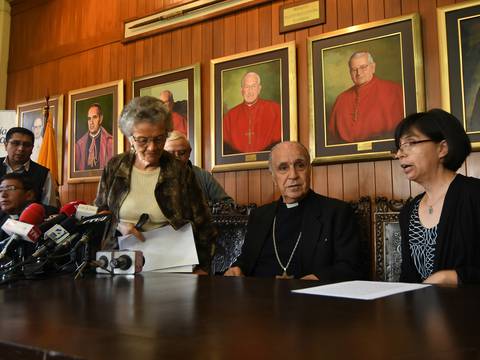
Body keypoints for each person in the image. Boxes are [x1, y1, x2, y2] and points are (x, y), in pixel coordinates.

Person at [94, 96, 216, 273]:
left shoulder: (179, 171)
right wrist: (118, 226)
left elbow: (204, 224)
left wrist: (203, 267)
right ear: (130, 138)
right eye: (143, 140)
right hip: (120, 265)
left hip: (172, 266)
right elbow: (99, 214)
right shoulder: (115, 167)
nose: (152, 147)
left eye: (159, 139)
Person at [224, 141, 361, 280]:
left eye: (300, 165)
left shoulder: (336, 213)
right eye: (283, 168)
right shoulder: (259, 216)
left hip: (311, 298)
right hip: (259, 297)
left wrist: (317, 279)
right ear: (273, 177)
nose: (293, 175)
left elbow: (350, 267)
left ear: (309, 170)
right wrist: (237, 269)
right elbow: (246, 261)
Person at [394, 109, 480, 285]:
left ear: (442, 148)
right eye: (399, 147)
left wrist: (453, 277)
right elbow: (407, 280)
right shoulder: (409, 211)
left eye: (410, 143)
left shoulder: (474, 195)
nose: (400, 154)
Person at [328, 51, 404, 144]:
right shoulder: (341, 99)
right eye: (354, 69)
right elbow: (332, 139)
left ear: (373, 67)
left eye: (363, 67)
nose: (358, 73)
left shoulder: (395, 90)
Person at [164, 131, 234, 205]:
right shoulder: (153, 175)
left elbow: (228, 205)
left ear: (189, 152)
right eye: (170, 154)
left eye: (181, 153)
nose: (176, 158)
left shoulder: (203, 176)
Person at [223, 71, 282, 154]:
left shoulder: (275, 110)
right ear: (241, 90)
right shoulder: (230, 116)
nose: (250, 91)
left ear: (259, 89)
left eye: (253, 86)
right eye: (246, 87)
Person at [0, 127, 57, 208]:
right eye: (15, 143)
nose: (21, 149)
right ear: (6, 145)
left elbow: (50, 208)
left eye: (26, 145)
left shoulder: (43, 174)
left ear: (32, 148)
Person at [75, 103, 113, 171]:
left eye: (94, 117)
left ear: (100, 119)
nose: (91, 122)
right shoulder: (79, 145)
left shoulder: (110, 142)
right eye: (89, 118)